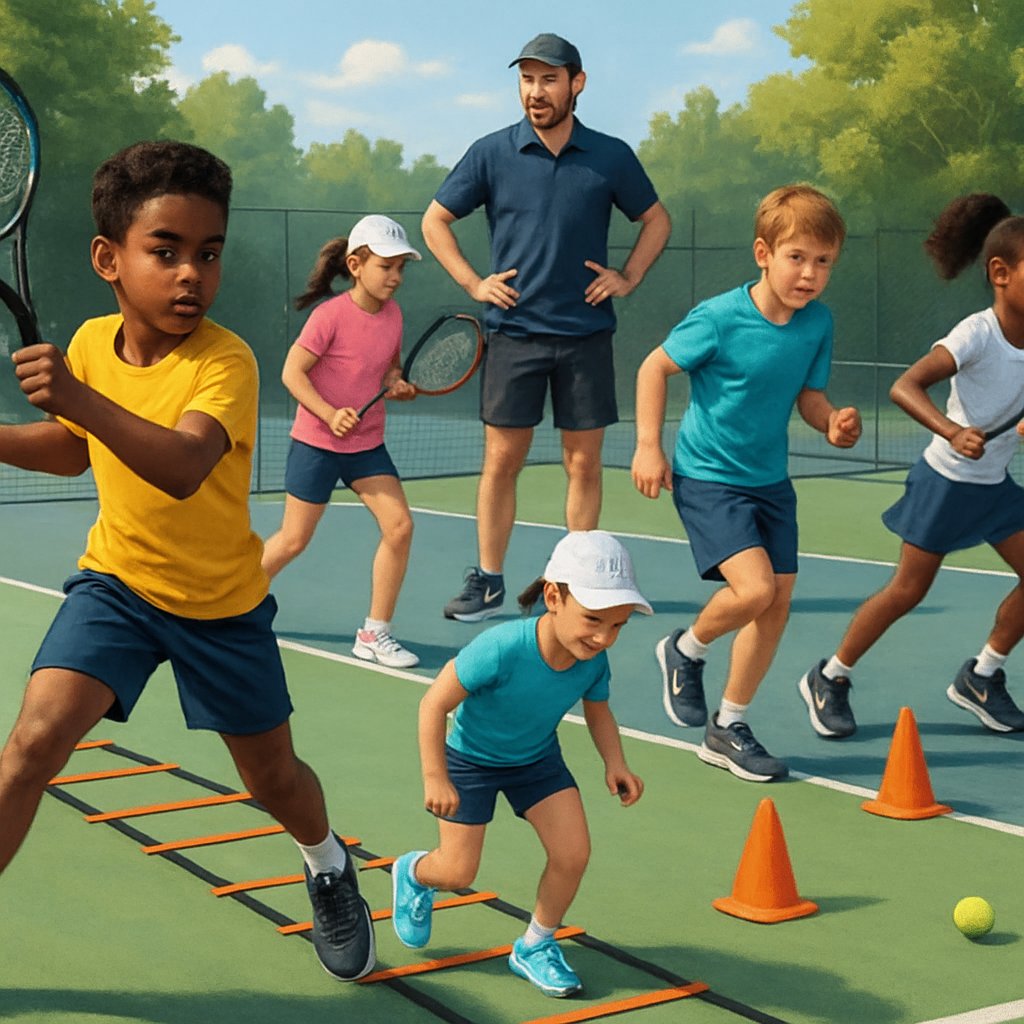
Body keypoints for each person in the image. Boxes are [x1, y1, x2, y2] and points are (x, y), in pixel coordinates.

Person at [0, 141, 375, 981]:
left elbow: (178, 467)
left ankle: (327, 865)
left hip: (220, 606)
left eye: (207, 254)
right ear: (109, 259)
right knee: (31, 741)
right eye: (164, 251)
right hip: (118, 586)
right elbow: (75, 449)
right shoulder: (94, 346)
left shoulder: (227, 361)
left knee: (273, 778)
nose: (189, 276)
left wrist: (75, 397)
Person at [422, 32, 671, 623]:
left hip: (586, 334)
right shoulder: (491, 152)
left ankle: (578, 581)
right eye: (528, 79)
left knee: (583, 463)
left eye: (549, 79)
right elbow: (435, 220)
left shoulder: (610, 155)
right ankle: (488, 582)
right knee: (501, 460)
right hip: (513, 334)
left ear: (576, 85)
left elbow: (656, 219)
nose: (536, 92)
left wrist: (628, 275)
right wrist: (472, 283)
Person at [632, 184, 862, 782]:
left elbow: (808, 396)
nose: (809, 273)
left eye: (823, 262)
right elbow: (653, 366)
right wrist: (648, 446)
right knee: (755, 589)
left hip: (770, 480)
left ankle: (727, 725)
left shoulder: (817, 324)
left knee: (776, 602)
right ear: (763, 253)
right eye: (797, 257)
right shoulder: (718, 318)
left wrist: (831, 421)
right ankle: (686, 649)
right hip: (708, 476)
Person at [799, 193, 1024, 737]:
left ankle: (981, 675)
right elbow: (905, 385)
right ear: (1000, 273)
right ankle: (830, 676)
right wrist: (952, 430)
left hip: (993, 485)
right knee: (908, 591)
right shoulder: (976, 334)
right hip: (945, 482)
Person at [389, 530, 650, 998]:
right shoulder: (502, 647)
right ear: (553, 597)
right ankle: (413, 873)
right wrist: (436, 775)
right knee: (457, 873)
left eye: (616, 627)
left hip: (537, 760)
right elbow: (433, 705)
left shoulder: (591, 659)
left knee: (573, 854)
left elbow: (599, 709)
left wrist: (616, 763)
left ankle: (534, 946)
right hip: (470, 762)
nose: (603, 636)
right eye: (593, 619)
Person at [261, 216, 421, 669]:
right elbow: (292, 373)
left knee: (400, 527)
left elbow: (389, 370)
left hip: (366, 445)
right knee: (293, 540)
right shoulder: (328, 316)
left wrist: (398, 384)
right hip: (316, 443)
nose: (395, 277)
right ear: (355, 264)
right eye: (386, 266)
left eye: (401, 269)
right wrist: (329, 414)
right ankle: (225, 604)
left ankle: (374, 633)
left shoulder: (393, 316)